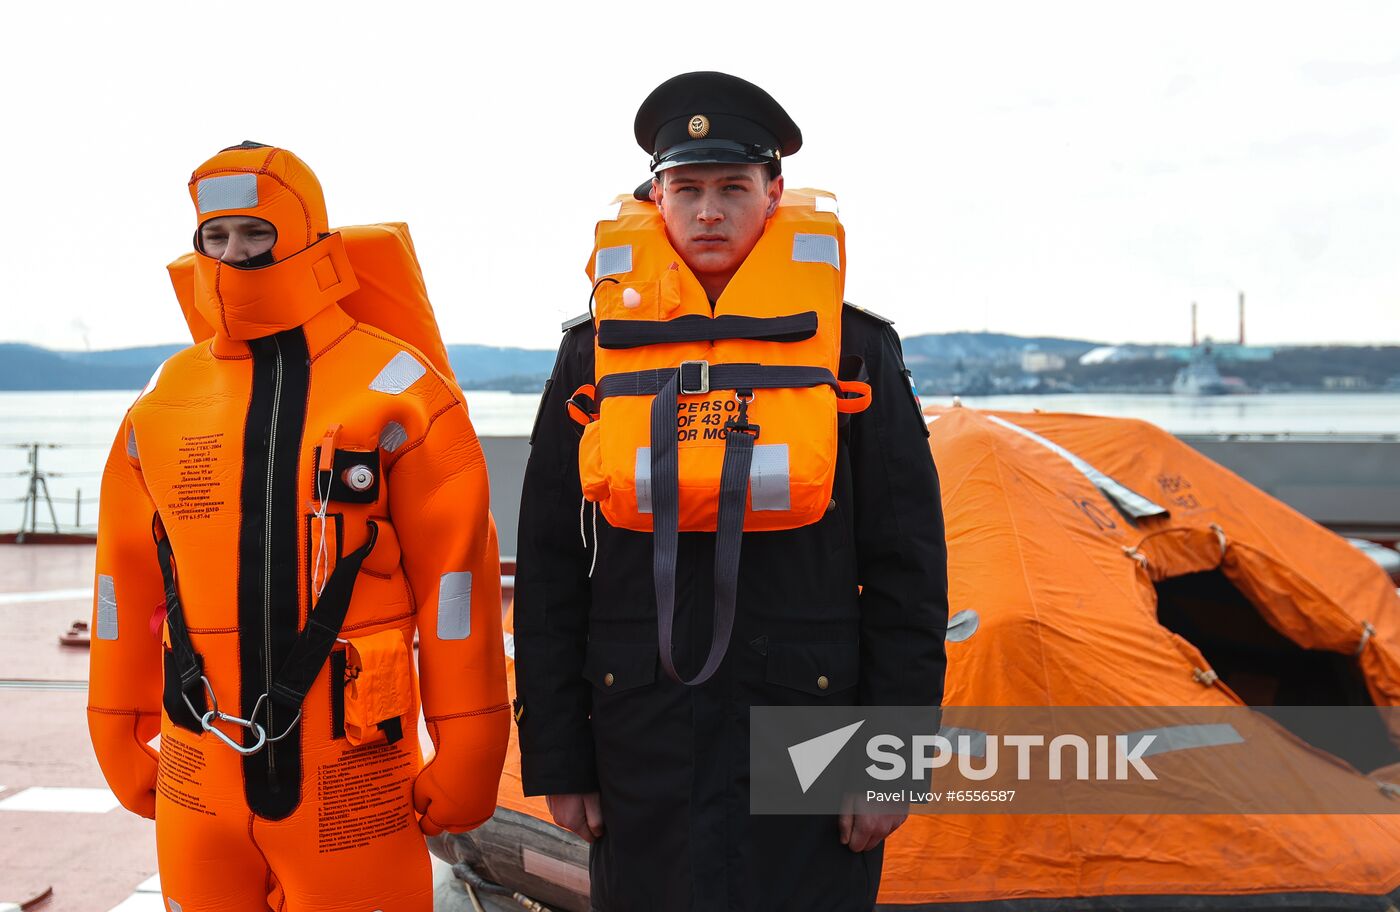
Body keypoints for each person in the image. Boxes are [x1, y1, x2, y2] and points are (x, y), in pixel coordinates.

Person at [514, 73, 950, 911]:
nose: (708, 211)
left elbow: (908, 572)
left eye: (731, 189)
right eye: (687, 189)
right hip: (641, 731)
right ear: (657, 195)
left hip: (813, 730)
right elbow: (548, 570)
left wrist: (890, 762)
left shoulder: (854, 352)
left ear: (773, 193)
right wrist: (561, 762)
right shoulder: (592, 359)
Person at [87, 142, 509, 912]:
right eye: (215, 237)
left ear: (308, 235)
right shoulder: (165, 398)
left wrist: (472, 746)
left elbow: (459, 586)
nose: (235, 254)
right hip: (197, 774)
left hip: (351, 778)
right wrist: (116, 726)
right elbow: (124, 576)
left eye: (256, 232)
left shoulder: (399, 387)